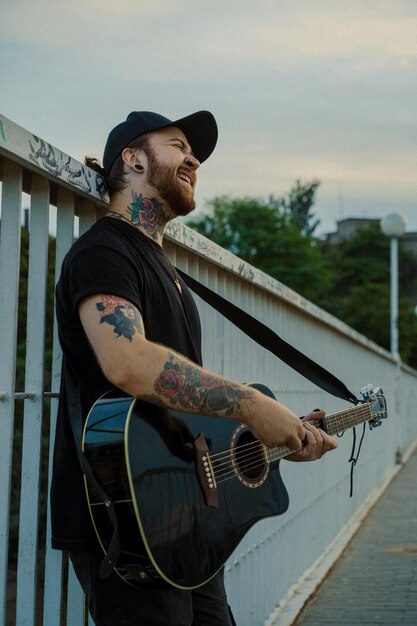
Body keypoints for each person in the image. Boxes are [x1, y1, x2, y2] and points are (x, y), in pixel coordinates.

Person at [51, 110, 337, 626]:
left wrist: (270, 439)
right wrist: (253, 404)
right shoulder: (104, 250)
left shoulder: (166, 268)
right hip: (124, 519)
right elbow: (129, 363)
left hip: (187, 519)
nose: (194, 159)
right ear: (133, 159)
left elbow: (184, 417)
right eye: (179, 145)